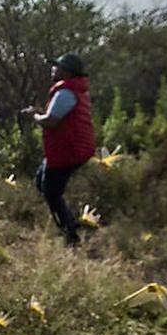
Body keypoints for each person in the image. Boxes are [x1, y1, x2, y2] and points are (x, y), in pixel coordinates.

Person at [22, 53, 96, 246]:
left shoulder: (65, 92)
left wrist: (34, 117)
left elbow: (51, 122)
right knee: (42, 182)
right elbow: (56, 117)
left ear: (67, 71)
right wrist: (40, 113)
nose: (53, 69)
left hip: (67, 151)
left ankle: (70, 235)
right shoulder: (74, 90)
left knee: (51, 193)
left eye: (57, 66)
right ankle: (70, 222)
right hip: (72, 149)